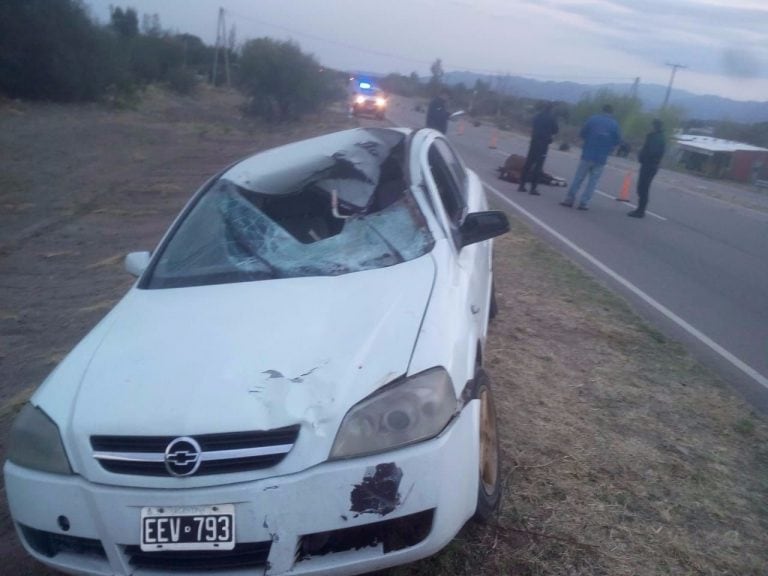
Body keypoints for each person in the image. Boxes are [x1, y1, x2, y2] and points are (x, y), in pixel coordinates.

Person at [561, 104, 621, 210]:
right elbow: (617, 141)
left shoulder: (593, 119)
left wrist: (589, 140)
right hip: (601, 158)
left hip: (588, 154)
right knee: (593, 182)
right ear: (612, 112)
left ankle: (569, 200)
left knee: (578, 178)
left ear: (602, 110)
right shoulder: (614, 124)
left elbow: (583, 133)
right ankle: (584, 203)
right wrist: (608, 146)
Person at [518, 102, 559, 195]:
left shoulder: (537, 116)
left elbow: (533, 125)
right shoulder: (551, 118)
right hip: (543, 144)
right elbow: (556, 130)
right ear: (551, 109)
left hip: (534, 142)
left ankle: (521, 185)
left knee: (528, 164)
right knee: (538, 166)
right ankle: (533, 188)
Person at [628, 119, 665, 218]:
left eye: (651, 126)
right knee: (643, 187)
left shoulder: (655, 138)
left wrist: (643, 155)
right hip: (650, 165)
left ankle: (641, 210)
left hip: (649, 165)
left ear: (654, 126)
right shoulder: (657, 137)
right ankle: (640, 209)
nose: (649, 127)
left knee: (643, 187)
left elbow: (653, 152)